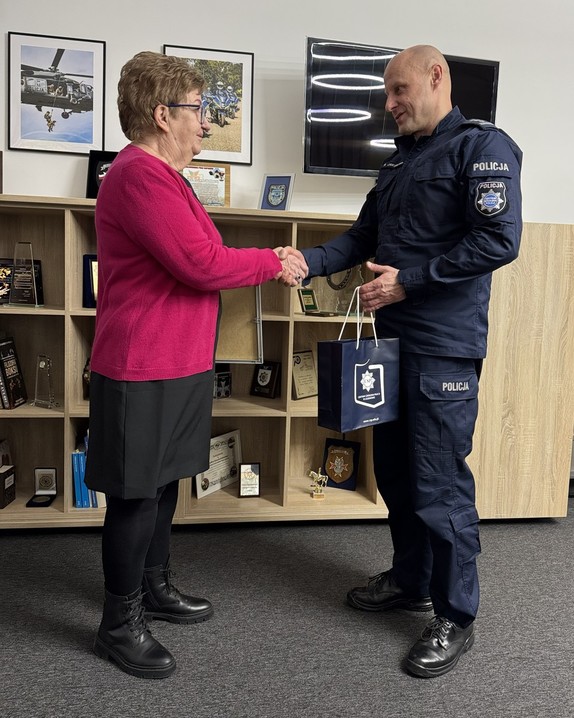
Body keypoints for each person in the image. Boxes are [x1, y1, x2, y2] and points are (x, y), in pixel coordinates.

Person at [293, 44, 523, 677]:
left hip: (441, 346)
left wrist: (408, 282)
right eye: (386, 94)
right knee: (395, 472)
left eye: (399, 90)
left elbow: (499, 240)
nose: (389, 104)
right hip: (390, 344)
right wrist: (305, 262)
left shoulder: (482, 147)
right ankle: (411, 580)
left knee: (439, 483)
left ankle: (455, 616)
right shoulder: (399, 161)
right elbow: (362, 238)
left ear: (436, 76)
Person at [84, 50, 307, 680]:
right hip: (141, 364)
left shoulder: (172, 178)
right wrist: (272, 262)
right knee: (135, 496)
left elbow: (205, 251)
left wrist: (255, 259)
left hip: (178, 362)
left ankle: (153, 587)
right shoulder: (137, 176)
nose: (205, 123)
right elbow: (201, 263)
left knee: (162, 485)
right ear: (163, 115)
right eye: (197, 110)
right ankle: (117, 624)